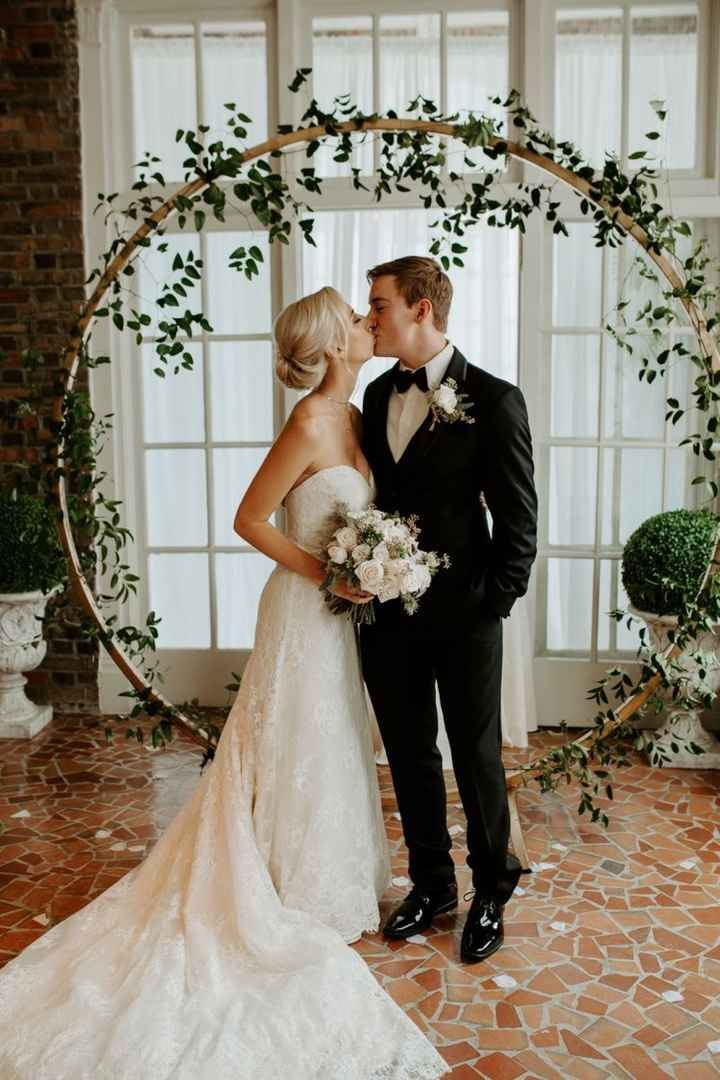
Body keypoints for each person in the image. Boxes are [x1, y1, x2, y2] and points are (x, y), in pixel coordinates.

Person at [0, 286, 448, 1080]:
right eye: (354, 316)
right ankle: (280, 883)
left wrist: (373, 569)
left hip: (339, 615)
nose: (363, 322)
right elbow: (248, 518)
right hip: (303, 610)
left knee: (333, 735)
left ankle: (332, 876)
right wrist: (329, 576)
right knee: (293, 732)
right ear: (333, 344)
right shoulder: (312, 419)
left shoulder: (356, 416)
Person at [360, 256, 538, 965]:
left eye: (379, 306)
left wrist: (491, 603)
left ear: (421, 310)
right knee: (407, 753)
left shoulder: (494, 399)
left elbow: (520, 522)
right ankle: (432, 884)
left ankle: (491, 889)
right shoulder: (376, 397)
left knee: (475, 755)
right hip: (387, 614)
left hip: (466, 614)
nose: (370, 318)